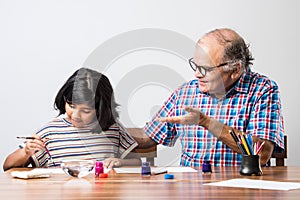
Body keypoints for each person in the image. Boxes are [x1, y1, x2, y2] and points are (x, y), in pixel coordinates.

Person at [131, 28, 284, 167]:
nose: (197, 74)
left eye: (205, 69)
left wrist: (207, 122)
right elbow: (148, 137)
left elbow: (262, 154)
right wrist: (110, 128)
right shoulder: (186, 92)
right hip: (191, 188)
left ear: (235, 70)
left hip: (241, 188)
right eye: (195, 65)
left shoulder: (263, 90)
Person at [3, 68, 141, 171]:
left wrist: (120, 162)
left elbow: (136, 161)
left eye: (86, 111)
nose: (75, 115)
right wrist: (25, 152)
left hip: (103, 193)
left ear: (101, 109)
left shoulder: (113, 129)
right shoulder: (49, 132)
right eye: (71, 106)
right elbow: (8, 166)